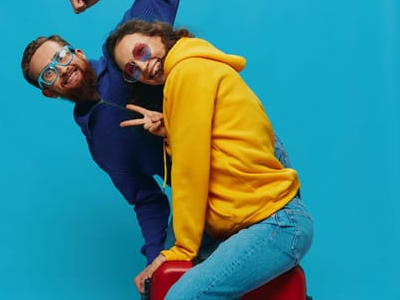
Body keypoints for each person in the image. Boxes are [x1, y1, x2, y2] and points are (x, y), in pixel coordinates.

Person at [20, 0, 292, 268]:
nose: (63, 69)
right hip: (204, 198)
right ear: (49, 92)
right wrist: (153, 263)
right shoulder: (101, 145)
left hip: (246, 155)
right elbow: (146, 199)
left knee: (278, 244)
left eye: (62, 57)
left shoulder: (127, 51)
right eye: (50, 74)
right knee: (184, 280)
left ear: (77, 51)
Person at [106, 19, 314, 299]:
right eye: (132, 70)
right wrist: (174, 129)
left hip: (275, 223)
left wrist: (182, 249)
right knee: (158, 287)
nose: (144, 67)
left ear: (158, 35)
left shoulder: (186, 72)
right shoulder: (197, 65)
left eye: (141, 52)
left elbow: (191, 170)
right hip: (260, 221)